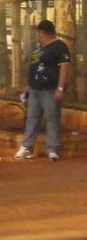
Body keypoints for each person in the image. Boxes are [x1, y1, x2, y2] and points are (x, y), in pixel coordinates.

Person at [15, 19, 71, 161]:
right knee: (32, 118)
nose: (36, 35)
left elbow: (65, 67)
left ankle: (53, 149)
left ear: (43, 33)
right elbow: (34, 69)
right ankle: (27, 147)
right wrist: (29, 86)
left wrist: (60, 88)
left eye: (38, 32)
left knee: (52, 118)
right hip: (35, 89)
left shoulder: (59, 47)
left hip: (50, 89)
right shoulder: (38, 48)